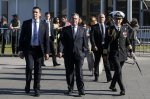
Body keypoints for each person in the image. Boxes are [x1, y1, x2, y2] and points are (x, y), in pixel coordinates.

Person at [18, 6, 49, 97]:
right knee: (30, 67)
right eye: (33, 12)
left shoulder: (44, 24)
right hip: (29, 50)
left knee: (38, 70)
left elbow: (46, 39)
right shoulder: (26, 23)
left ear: (40, 14)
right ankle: (28, 84)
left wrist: (47, 52)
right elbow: (22, 38)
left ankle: (36, 88)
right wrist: (20, 50)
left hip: (39, 50)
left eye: (36, 12)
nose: (34, 14)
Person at [59, 13, 88, 97]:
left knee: (79, 72)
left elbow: (85, 43)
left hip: (79, 55)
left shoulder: (83, 30)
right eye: (73, 18)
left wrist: (84, 53)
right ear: (70, 20)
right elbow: (61, 42)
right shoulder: (65, 29)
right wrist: (60, 51)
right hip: (68, 54)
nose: (74, 20)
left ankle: (81, 89)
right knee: (69, 72)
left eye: (76, 19)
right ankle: (70, 88)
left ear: (78, 20)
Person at [103, 11, 133, 95]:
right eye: (116, 19)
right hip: (114, 53)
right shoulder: (110, 29)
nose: (118, 21)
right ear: (114, 19)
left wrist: (131, 51)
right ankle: (122, 88)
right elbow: (106, 43)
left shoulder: (124, 28)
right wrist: (105, 54)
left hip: (123, 54)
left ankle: (112, 85)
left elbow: (127, 41)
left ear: (122, 20)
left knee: (117, 72)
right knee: (119, 71)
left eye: (119, 19)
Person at [90, 14, 112, 82]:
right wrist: (94, 46)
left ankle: (109, 77)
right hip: (97, 47)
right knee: (96, 61)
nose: (101, 18)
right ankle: (96, 76)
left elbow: (110, 37)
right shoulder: (94, 27)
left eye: (102, 17)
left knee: (106, 62)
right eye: (100, 17)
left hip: (105, 48)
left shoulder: (108, 27)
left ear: (105, 18)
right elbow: (92, 37)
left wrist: (108, 46)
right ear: (98, 19)